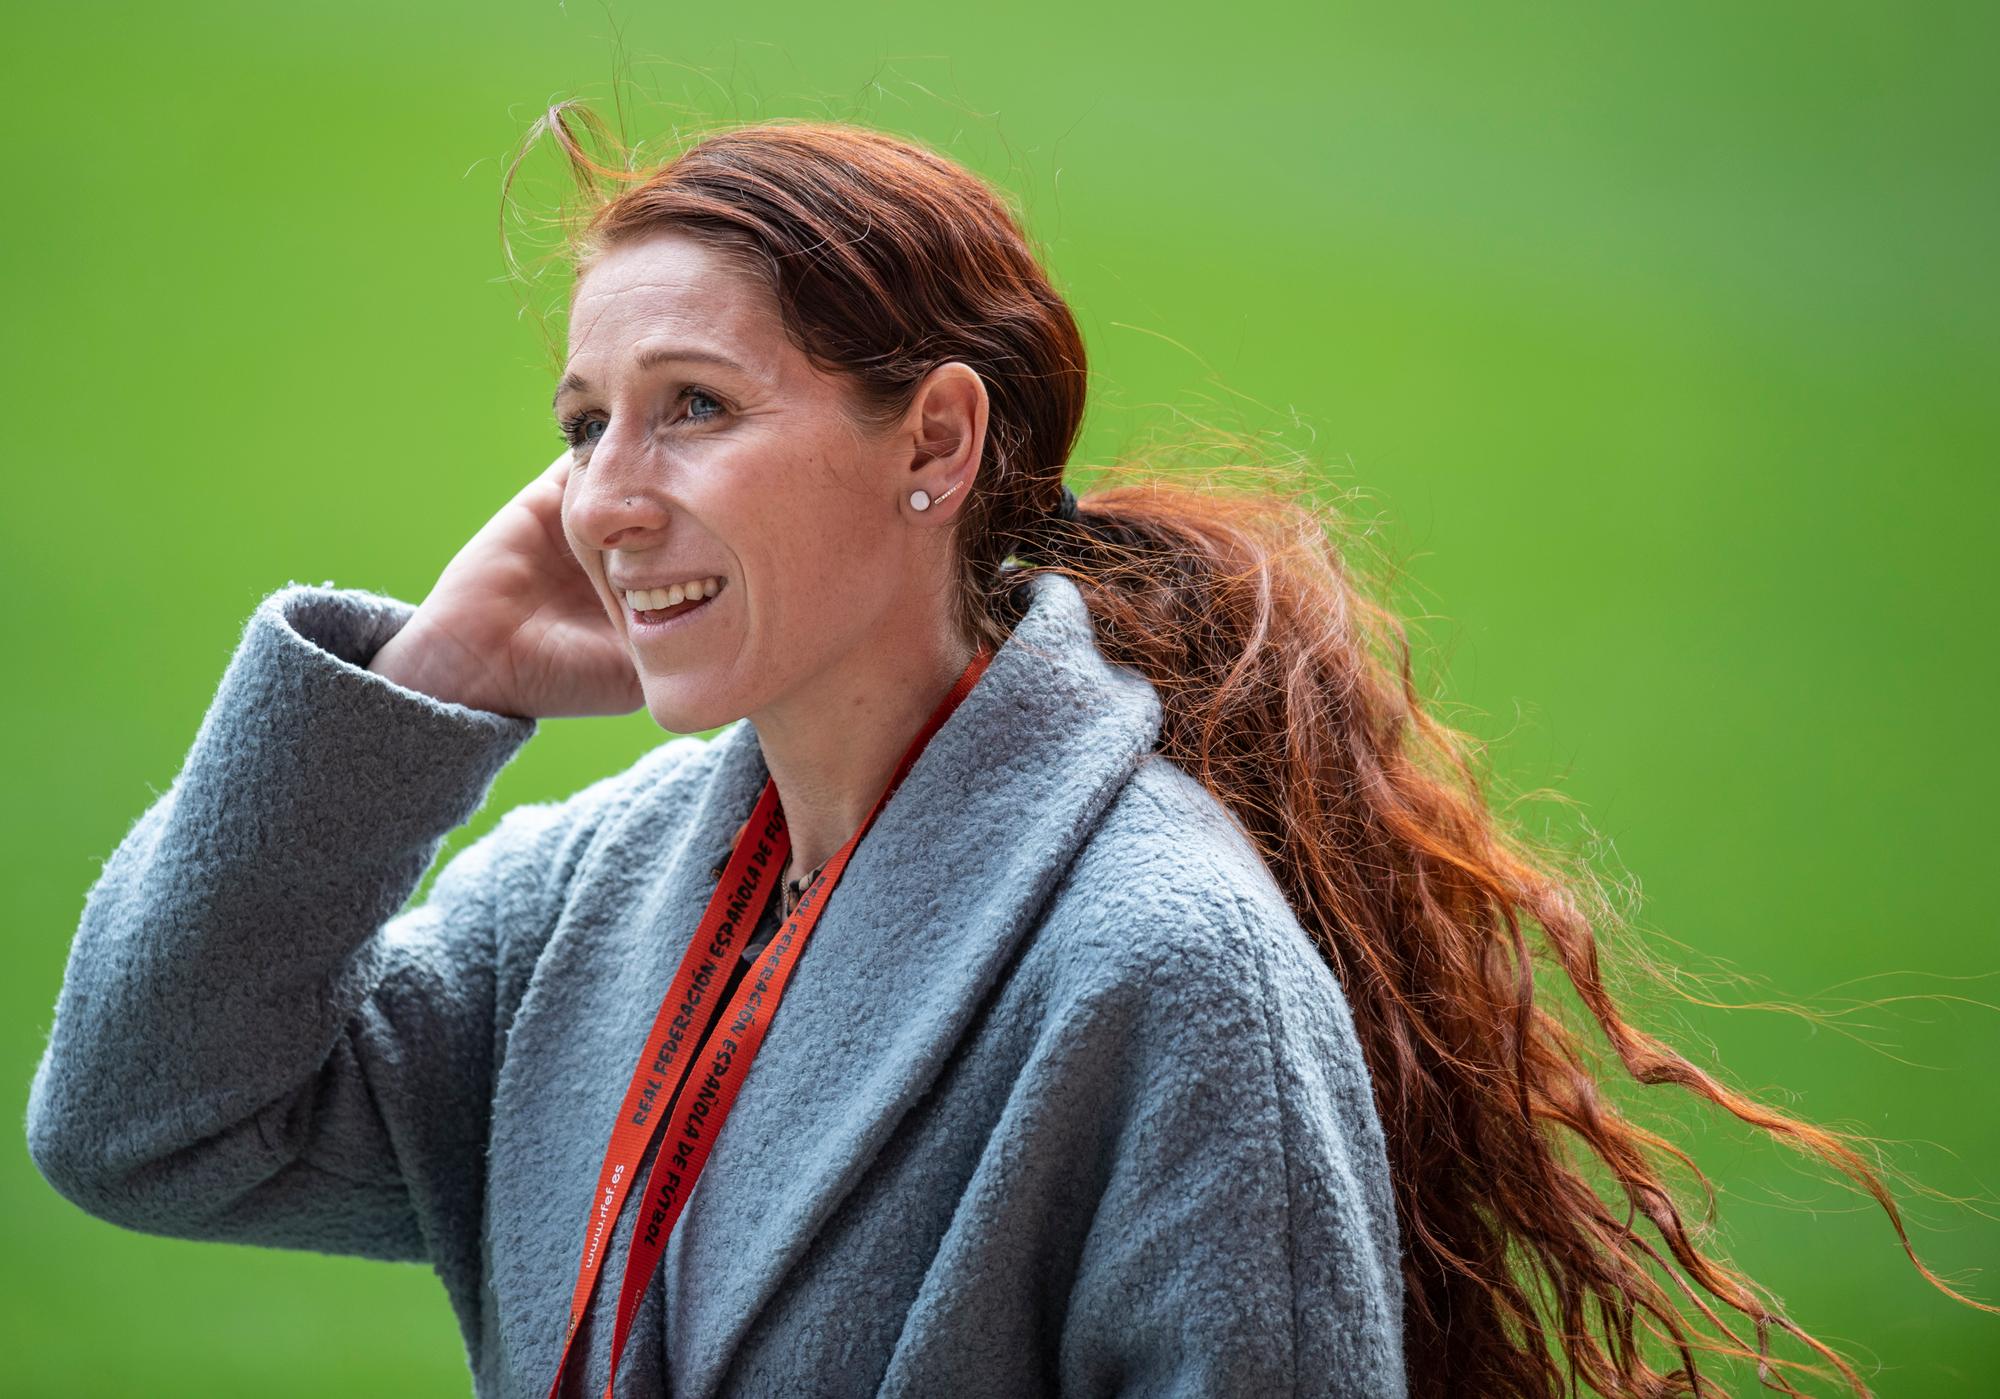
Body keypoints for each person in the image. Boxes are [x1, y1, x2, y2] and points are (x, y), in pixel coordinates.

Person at [22, 116, 1974, 1399]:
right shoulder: (589, 896)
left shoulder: (1159, 963)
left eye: (690, 408)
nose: (605, 500)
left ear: (932, 446)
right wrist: (428, 687)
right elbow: (151, 1123)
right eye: (583, 421)